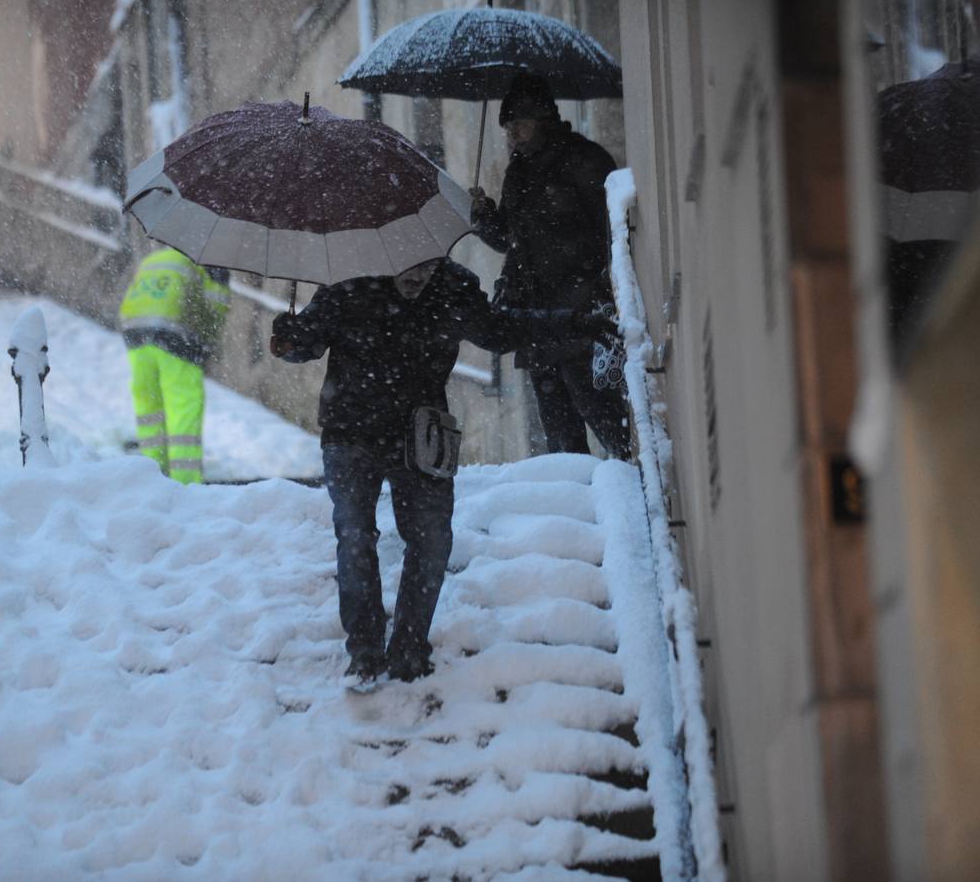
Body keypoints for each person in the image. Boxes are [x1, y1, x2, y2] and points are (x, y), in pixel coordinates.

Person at [269, 257, 612, 686]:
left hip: (420, 434)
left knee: (430, 540)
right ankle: (364, 651)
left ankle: (409, 650)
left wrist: (575, 321)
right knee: (356, 534)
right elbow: (307, 345)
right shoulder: (346, 279)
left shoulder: (451, 285)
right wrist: (288, 335)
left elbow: (499, 331)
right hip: (350, 432)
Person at [470, 73, 632, 460]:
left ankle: (629, 488)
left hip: (583, 312)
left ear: (543, 119)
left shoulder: (585, 160)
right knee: (558, 431)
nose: (513, 136)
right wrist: (482, 216)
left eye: (520, 126)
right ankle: (575, 503)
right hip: (536, 316)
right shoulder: (518, 171)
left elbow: (614, 231)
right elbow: (509, 238)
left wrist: (601, 293)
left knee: (601, 413)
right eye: (509, 128)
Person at [119, 246, 230, 484]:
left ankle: (152, 476)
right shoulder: (205, 265)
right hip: (174, 335)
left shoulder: (158, 258)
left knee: (150, 408)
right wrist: (220, 285)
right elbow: (212, 316)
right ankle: (186, 483)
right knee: (184, 407)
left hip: (135, 331)